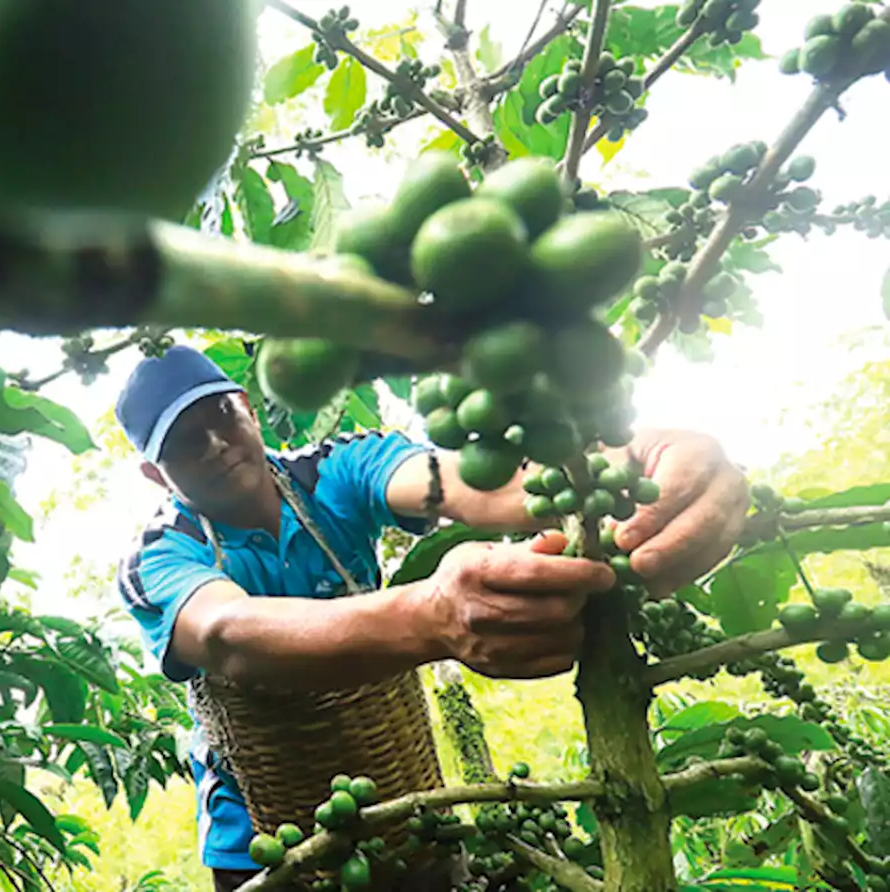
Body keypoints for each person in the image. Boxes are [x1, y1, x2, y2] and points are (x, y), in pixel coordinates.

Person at [112, 345, 748, 892]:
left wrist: (628, 461)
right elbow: (227, 634)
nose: (216, 444)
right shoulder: (160, 553)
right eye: (184, 441)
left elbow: (476, 485)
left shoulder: (336, 470)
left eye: (221, 415)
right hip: (256, 836)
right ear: (153, 472)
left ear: (248, 407)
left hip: (402, 798)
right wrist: (433, 618)